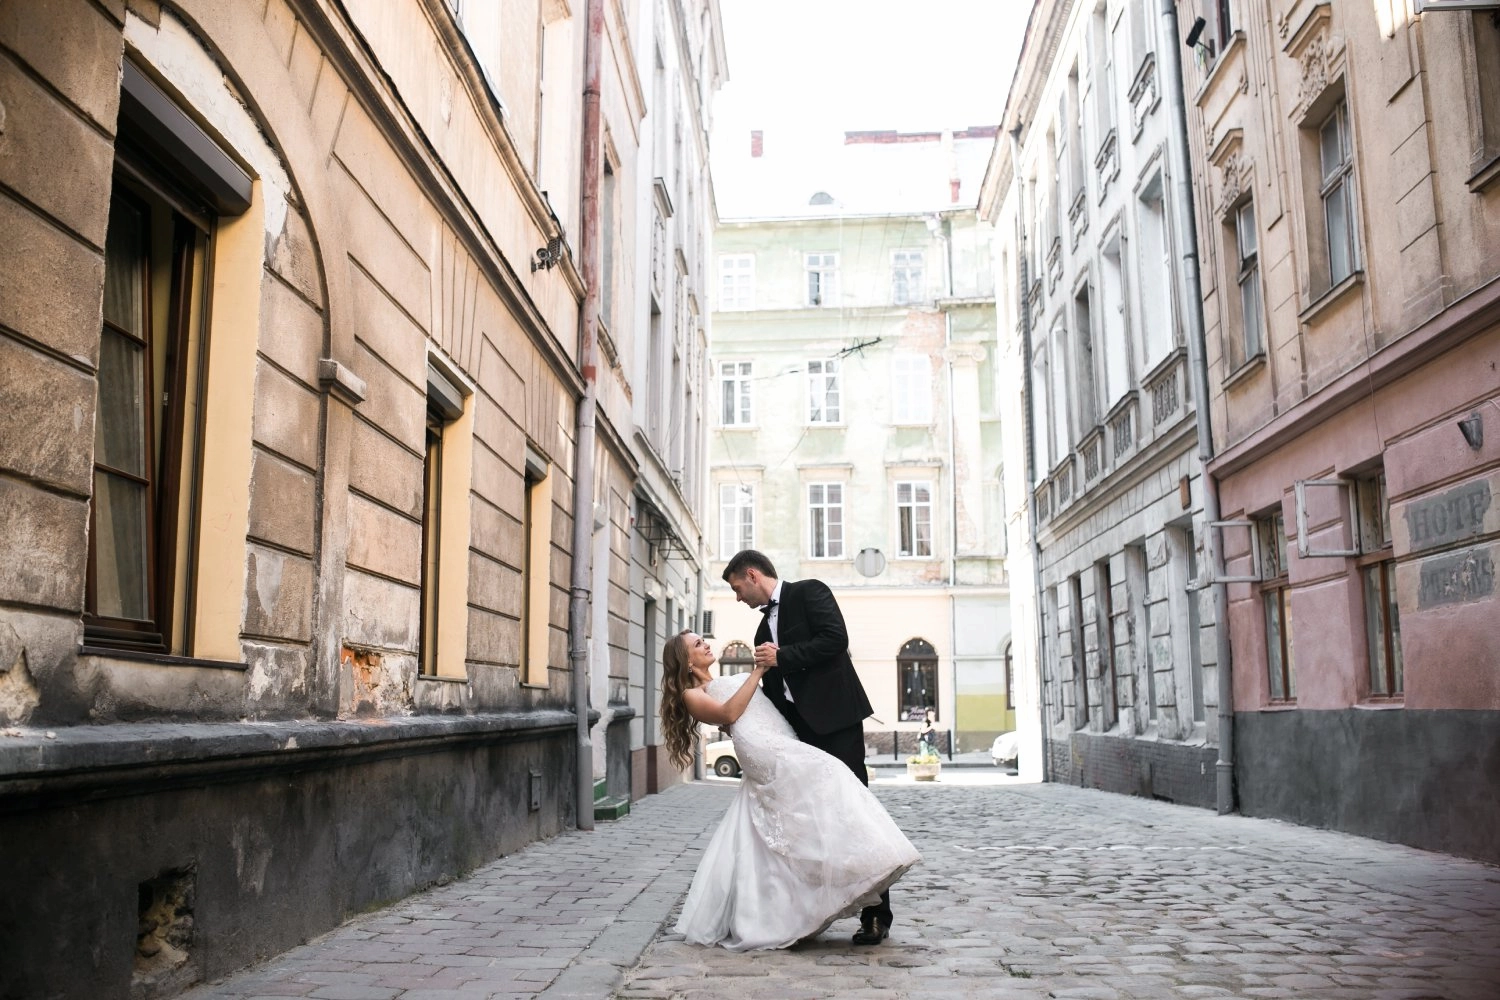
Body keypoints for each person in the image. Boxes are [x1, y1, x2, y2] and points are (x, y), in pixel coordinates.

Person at [661, 630, 919, 951]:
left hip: (782, 737)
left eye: (703, 640)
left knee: (797, 820)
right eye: (698, 644)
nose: (706, 644)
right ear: (685, 661)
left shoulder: (727, 680)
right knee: (830, 772)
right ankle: (864, 862)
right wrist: (757, 671)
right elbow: (729, 714)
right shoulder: (692, 693)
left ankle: (851, 873)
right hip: (763, 751)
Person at [722, 549, 897, 946]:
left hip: (837, 723)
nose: (737, 598)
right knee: (812, 821)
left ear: (752, 575)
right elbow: (773, 690)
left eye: (736, 588)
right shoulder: (761, 632)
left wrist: (783, 656)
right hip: (799, 734)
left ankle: (876, 915)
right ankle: (812, 912)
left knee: (855, 811)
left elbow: (835, 640)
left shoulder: (810, 592)